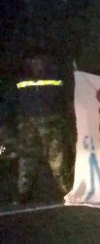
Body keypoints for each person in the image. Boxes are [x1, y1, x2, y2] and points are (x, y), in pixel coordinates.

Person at [13, 56, 70, 204]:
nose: (35, 63)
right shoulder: (21, 77)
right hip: (27, 123)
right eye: (32, 60)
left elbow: (65, 96)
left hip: (51, 122)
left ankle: (66, 189)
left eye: (38, 60)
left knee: (57, 159)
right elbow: (12, 100)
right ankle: (24, 193)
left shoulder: (56, 74)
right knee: (27, 158)